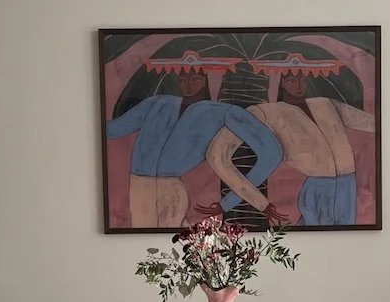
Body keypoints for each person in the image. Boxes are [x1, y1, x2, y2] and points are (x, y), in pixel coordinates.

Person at [106, 65, 283, 230]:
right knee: (142, 246)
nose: (188, 84)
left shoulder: (221, 112)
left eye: (195, 78)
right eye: (184, 78)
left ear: (205, 80)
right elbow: (114, 129)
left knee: (168, 245)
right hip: (139, 185)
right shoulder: (157, 104)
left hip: (171, 189)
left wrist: (235, 202)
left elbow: (272, 153)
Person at [205, 65, 375, 227]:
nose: (299, 85)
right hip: (317, 188)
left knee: (344, 239)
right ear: (283, 82)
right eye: (292, 80)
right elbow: (217, 155)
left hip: (348, 185)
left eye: (302, 79)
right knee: (314, 238)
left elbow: (370, 122)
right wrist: (233, 202)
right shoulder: (269, 112)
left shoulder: (324, 104)